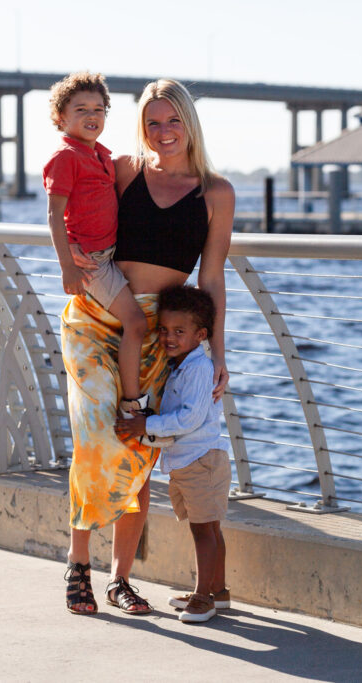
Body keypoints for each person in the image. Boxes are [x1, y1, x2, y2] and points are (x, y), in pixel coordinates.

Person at [61, 78, 234, 616]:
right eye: (153, 121)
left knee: (138, 455)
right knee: (95, 440)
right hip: (98, 317)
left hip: (161, 334)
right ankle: (78, 563)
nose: (163, 132)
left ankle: (121, 580)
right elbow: (75, 213)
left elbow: (213, 280)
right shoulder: (124, 171)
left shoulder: (216, 193)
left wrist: (217, 353)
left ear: (189, 123)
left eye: (173, 120)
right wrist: (69, 256)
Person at [116, 285, 231, 623]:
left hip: (202, 460)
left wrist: (147, 425)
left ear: (201, 335)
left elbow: (191, 418)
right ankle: (218, 592)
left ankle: (202, 598)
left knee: (203, 531)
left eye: (179, 332)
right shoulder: (184, 364)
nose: (169, 337)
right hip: (190, 460)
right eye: (164, 330)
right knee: (209, 529)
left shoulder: (197, 368)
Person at [43, 71, 151, 420]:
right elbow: (54, 216)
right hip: (92, 262)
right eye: (80, 110)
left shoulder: (101, 154)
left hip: (112, 253)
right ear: (61, 117)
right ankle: (132, 405)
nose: (92, 116)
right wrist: (68, 266)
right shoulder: (66, 157)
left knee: (125, 326)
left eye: (99, 109)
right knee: (136, 324)